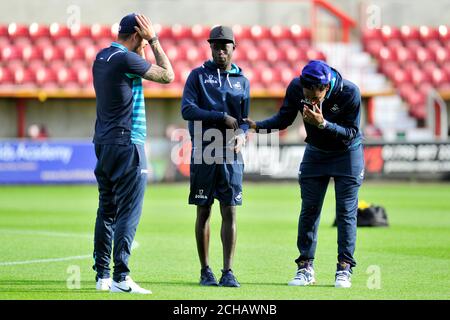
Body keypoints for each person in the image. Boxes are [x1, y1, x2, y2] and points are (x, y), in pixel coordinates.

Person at [245, 60, 364, 288]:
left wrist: (323, 124)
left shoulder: (350, 92)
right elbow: (284, 119)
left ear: (326, 88)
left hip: (347, 154)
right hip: (316, 153)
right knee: (309, 211)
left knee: (346, 213)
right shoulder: (297, 88)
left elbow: (350, 133)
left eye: (314, 97)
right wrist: (256, 126)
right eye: (305, 95)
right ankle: (305, 268)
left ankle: (344, 269)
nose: (309, 100)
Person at [92, 13, 174, 294]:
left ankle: (102, 276)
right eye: (144, 38)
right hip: (128, 143)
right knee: (129, 210)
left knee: (107, 209)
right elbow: (167, 75)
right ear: (138, 35)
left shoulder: (101, 57)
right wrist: (154, 40)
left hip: (103, 144)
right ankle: (121, 277)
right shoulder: (127, 59)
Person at [181, 25, 250, 287]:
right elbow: (187, 110)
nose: (220, 50)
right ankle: (205, 270)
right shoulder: (197, 76)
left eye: (225, 45)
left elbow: (243, 120)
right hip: (205, 152)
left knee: (230, 210)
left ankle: (228, 271)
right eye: (215, 45)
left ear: (234, 48)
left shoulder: (242, 81)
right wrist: (220, 117)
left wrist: (243, 133)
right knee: (204, 211)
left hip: (231, 154)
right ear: (210, 47)